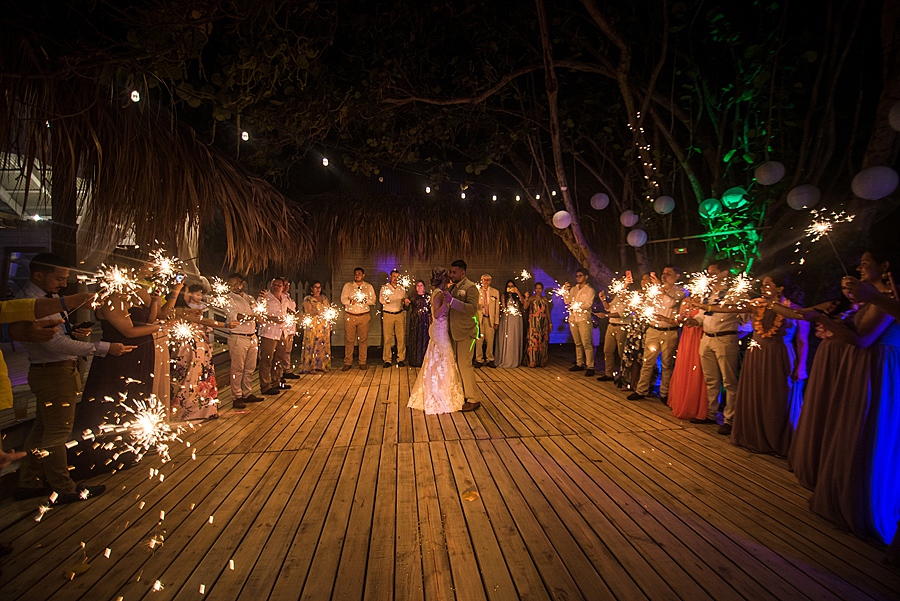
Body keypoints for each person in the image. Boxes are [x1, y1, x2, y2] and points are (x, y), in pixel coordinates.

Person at [795, 250, 898, 547]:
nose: (860, 267)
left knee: (867, 430)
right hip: (862, 366)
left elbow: (862, 338)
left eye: (866, 263)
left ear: (885, 265)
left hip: (877, 369)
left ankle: (860, 500)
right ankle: (843, 489)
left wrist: (823, 321)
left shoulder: (886, 298)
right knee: (851, 427)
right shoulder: (873, 298)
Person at [13, 254, 134, 503]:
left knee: (41, 430)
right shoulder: (32, 302)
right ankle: (63, 487)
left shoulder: (47, 299)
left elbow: (58, 335)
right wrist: (103, 348)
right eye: (58, 278)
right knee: (58, 432)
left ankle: (28, 482)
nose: (63, 284)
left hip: (52, 370)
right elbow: (53, 343)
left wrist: (77, 333)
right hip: (53, 372)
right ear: (38, 275)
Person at [75, 269, 166, 476]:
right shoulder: (112, 300)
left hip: (139, 353)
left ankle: (130, 446)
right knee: (116, 397)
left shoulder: (131, 297)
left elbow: (149, 319)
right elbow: (129, 331)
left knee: (136, 397)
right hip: (120, 357)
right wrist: (160, 327)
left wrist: (154, 301)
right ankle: (103, 452)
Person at [729, 273, 809, 456]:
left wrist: (801, 366)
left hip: (780, 356)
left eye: (767, 284)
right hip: (756, 354)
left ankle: (777, 440)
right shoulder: (757, 307)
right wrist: (705, 306)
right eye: (763, 284)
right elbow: (731, 309)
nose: (763, 288)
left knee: (777, 398)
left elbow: (802, 340)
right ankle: (753, 436)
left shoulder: (794, 309)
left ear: (779, 288)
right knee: (755, 393)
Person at [688, 259, 744, 435]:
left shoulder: (736, 294)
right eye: (709, 273)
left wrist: (733, 333)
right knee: (711, 379)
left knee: (729, 382)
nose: (710, 276)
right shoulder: (709, 294)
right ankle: (711, 414)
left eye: (713, 273)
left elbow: (746, 320)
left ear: (725, 273)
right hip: (706, 338)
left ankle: (729, 419)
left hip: (725, 339)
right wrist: (691, 321)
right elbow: (703, 317)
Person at [407, 269, 466, 414]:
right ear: (443, 280)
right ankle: (440, 390)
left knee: (439, 357)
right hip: (440, 329)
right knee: (442, 357)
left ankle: (442, 386)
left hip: (440, 329)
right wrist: (446, 303)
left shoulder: (437, 292)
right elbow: (436, 314)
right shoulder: (439, 294)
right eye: (447, 279)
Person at [628, 266, 686, 403]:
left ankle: (665, 393)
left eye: (669, 273)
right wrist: (638, 306)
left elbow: (672, 303)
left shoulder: (680, 292)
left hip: (669, 332)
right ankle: (641, 390)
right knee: (647, 362)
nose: (665, 276)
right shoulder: (655, 291)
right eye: (664, 273)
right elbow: (647, 305)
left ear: (677, 276)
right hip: (653, 329)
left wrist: (661, 289)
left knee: (667, 364)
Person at [170, 284, 222, 421]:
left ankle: (203, 409)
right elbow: (202, 321)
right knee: (188, 378)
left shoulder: (190, 310)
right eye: (188, 292)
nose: (190, 295)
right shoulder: (178, 310)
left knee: (199, 377)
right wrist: (226, 325)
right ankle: (186, 410)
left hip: (198, 349)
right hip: (186, 350)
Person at [446, 260, 482, 411]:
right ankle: (465, 394)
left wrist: (453, 302)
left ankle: (474, 398)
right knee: (458, 365)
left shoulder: (471, 287)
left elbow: (473, 308)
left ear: (463, 273)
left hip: (466, 332)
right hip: (455, 331)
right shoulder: (454, 287)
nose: (452, 275)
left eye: (454, 272)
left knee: (465, 365)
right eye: (451, 272)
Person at [666, 299, 708, 420]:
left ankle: (695, 406)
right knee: (683, 367)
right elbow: (680, 319)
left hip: (698, 335)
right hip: (687, 336)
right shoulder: (686, 301)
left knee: (696, 367)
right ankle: (680, 400)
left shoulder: (705, 300)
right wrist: (681, 319)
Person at [224, 273, 260, 409]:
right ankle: (236, 396)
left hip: (252, 335)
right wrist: (251, 317)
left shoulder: (250, 298)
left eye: (235, 283)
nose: (233, 287)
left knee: (250, 367)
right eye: (231, 284)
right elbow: (233, 316)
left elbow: (258, 312)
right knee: (237, 368)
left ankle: (247, 393)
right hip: (238, 336)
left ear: (242, 283)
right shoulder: (228, 299)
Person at [562, 268, 596, 377]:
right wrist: (565, 291)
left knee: (586, 343)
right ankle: (579, 363)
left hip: (583, 319)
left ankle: (590, 366)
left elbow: (588, 304)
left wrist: (577, 306)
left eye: (580, 276)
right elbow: (567, 301)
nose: (578, 278)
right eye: (577, 276)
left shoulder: (590, 290)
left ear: (586, 277)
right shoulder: (574, 289)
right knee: (577, 343)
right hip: (573, 319)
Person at [258, 277, 289, 395]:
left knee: (278, 358)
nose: (275, 286)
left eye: (278, 285)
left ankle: (276, 381)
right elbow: (259, 314)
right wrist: (273, 319)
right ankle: (265, 385)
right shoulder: (265, 298)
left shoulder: (285, 298)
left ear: (283, 287)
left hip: (282, 332)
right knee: (267, 359)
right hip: (269, 332)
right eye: (273, 284)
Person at [340, 267, 375, 370]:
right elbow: (343, 299)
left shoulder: (368, 287)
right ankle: (348, 362)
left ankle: (362, 361)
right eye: (355, 274)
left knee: (363, 340)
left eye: (359, 274)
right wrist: (350, 301)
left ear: (363, 275)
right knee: (349, 340)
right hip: (350, 315)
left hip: (363, 315)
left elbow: (373, 300)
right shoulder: (348, 286)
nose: (357, 275)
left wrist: (365, 300)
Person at [597, 287, 630, 382]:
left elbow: (622, 314)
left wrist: (606, 315)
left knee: (622, 353)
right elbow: (608, 308)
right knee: (607, 350)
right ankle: (608, 374)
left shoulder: (629, 298)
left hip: (622, 327)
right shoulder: (617, 297)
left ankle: (624, 375)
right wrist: (603, 300)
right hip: (611, 325)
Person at [298, 281, 332, 373]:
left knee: (322, 344)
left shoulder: (324, 298)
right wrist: (317, 313)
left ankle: (322, 365)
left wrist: (329, 323)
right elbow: (308, 312)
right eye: (315, 287)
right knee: (312, 343)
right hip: (313, 324)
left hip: (323, 325)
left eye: (319, 287)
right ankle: (311, 366)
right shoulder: (308, 299)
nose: (318, 289)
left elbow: (328, 310)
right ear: (311, 288)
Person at [380, 269, 411, 367]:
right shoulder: (385, 288)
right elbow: (381, 299)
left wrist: (405, 302)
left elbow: (404, 302)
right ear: (390, 276)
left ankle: (401, 358)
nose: (395, 279)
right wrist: (386, 301)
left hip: (399, 314)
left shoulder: (402, 289)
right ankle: (387, 359)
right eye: (394, 277)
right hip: (388, 314)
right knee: (387, 337)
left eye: (397, 277)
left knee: (401, 337)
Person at [496, 280, 524, 368]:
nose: (510, 288)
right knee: (508, 337)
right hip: (508, 318)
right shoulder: (504, 295)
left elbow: (523, 302)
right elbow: (503, 307)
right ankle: (506, 358)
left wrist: (518, 292)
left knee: (515, 337)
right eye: (509, 286)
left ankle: (515, 358)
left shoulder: (517, 296)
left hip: (516, 318)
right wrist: (505, 311)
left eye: (512, 286)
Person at [523, 282, 551, 367]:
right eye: (536, 288)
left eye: (540, 288)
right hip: (533, 322)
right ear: (534, 289)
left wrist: (550, 323)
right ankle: (532, 360)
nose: (538, 290)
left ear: (542, 289)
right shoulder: (531, 298)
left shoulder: (545, 299)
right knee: (533, 341)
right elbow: (525, 307)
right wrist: (526, 298)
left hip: (543, 322)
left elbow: (547, 312)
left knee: (542, 341)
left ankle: (541, 360)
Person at [475, 274, 500, 368]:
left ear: (490, 281)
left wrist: (496, 321)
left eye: (488, 280)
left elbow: (497, 308)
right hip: (480, 319)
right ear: (481, 281)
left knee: (490, 340)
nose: (486, 282)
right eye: (484, 280)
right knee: (479, 340)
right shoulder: (477, 291)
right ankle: (479, 359)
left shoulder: (495, 292)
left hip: (490, 319)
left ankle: (490, 358)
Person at [406, 280, 431, 367]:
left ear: (424, 286)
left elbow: (431, 309)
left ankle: (424, 360)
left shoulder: (428, 296)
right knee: (415, 338)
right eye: (418, 285)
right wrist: (406, 303)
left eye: (421, 285)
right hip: (415, 321)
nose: (420, 287)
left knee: (424, 339)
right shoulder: (412, 296)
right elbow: (406, 308)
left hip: (425, 321)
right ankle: (414, 360)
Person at [280, 279, 300, 380]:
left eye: (288, 284)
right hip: (284, 327)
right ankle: (280, 372)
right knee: (282, 351)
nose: (287, 286)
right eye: (285, 284)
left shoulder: (288, 297)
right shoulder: (280, 297)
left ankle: (286, 369)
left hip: (291, 327)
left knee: (288, 350)